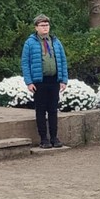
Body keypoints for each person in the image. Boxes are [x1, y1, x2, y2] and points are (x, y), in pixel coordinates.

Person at [21, 14, 68, 149]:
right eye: (42, 25)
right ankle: (44, 139)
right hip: (39, 82)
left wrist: (63, 79)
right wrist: (29, 82)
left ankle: (54, 137)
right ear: (36, 27)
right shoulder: (30, 43)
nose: (45, 27)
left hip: (54, 80)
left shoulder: (55, 41)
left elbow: (63, 60)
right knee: (41, 110)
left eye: (47, 25)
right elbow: (25, 63)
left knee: (53, 110)